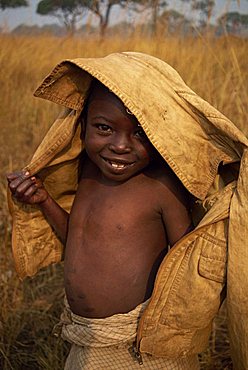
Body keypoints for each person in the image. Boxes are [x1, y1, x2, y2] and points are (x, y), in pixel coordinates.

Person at [7, 52, 248, 370]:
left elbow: (187, 264)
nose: (120, 145)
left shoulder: (161, 186)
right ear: (83, 126)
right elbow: (80, 241)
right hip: (85, 338)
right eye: (104, 128)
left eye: (139, 133)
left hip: (141, 346)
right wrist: (44, 200)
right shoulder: (89, 173)